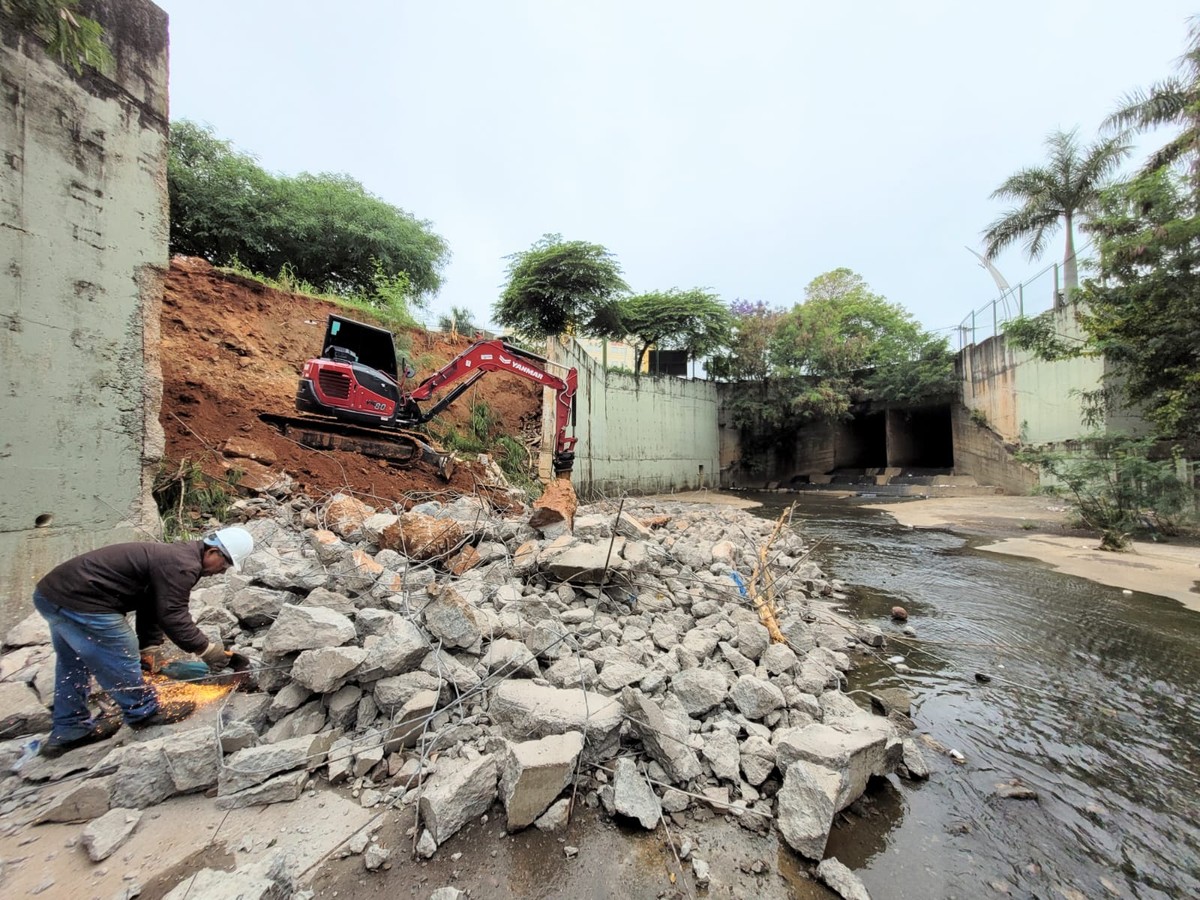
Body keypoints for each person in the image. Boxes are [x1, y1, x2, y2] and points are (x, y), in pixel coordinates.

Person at [32, 527, 254, 758]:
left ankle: (70, 729)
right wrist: (206, 649)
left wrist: (150, 645)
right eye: (226, 563)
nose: (222, 571)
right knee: (121, 647)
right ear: (213, 552)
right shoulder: (184, 565)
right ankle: (142, 711)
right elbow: (173, 615)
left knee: (74, 663)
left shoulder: (179, 556)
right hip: (81, 601)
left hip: (52, 594)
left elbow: (152, 602)